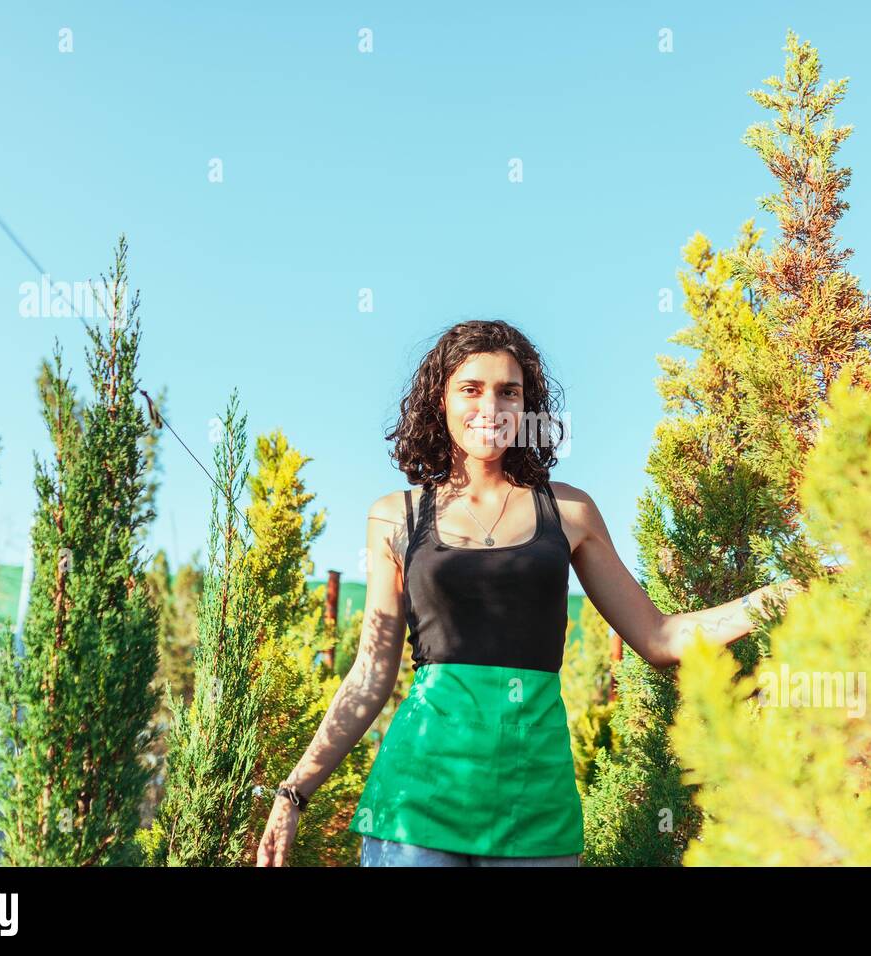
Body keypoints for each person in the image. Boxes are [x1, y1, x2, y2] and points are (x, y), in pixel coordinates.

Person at [256, 319, 805, 867]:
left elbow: (659, 638)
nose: (490, 406)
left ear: (528, 407)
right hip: (414, 799)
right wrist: (293, 792)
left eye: (508, 391)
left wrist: (776, 598)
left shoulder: (570, 512)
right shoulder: (394, 517)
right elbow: (373, 672)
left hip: (533, 801)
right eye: (470, 389)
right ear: (439, 402)